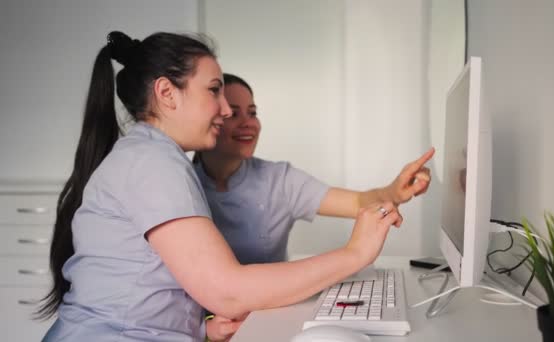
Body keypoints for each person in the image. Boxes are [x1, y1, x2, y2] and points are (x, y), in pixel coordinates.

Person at [38, 31, 407, 342]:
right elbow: (227, 292)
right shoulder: (153, 163)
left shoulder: (153, 157)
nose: (227, 110)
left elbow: (148, 285)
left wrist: (200, 328)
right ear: (167, 93)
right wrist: (355, 254)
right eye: (214, 90)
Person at [193, 74, 434, 340]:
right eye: (233, 114)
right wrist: (204, 327)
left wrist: (393, 192)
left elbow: (355, 202)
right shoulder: (182, 186)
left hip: (272, 315)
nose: (248, 123)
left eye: (252, 112)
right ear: (212, 117)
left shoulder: (278, 178)